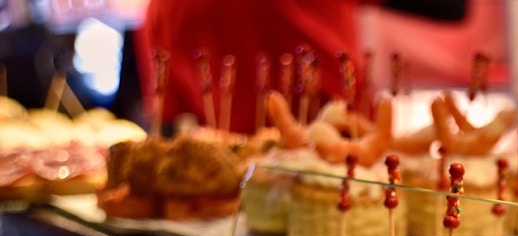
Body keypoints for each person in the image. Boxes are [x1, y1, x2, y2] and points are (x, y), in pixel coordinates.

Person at [136, 0, 468, 134]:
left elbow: (166, 122)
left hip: (225, 202)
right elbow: (452, 6)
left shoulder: (159, 8)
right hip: (344, 170)